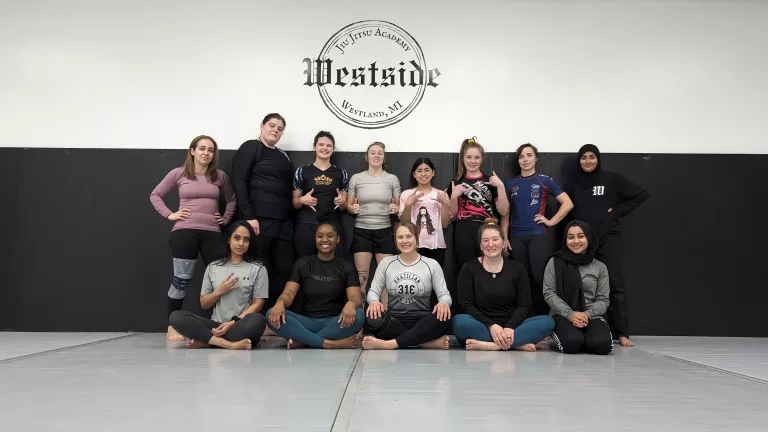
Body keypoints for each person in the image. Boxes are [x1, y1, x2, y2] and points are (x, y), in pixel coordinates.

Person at [150, 135, 236, 341]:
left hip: (213, 234)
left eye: (210, 150)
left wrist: (224, 218)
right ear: (193, 151)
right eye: (202, 149)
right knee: (181, 280)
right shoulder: (179, 173)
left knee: (219, 281)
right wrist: (170, 215)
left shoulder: (220, 176)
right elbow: (155, 195)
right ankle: (172, 326)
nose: (206, 153)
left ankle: (218, 324)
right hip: (184, 232)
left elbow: (231, 200)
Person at [566, 144, 650, 347]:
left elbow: (641, 194)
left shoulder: (611, 179)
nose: (587, 161)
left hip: (607, 239)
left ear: (598, 159)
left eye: (592, 157)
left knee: (615, 285)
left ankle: (621, 332)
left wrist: (617, 211)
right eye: (583, 157)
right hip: (581, 242)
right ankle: (581, 327)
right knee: (579, 285)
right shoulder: (573, 183)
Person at [452, 218, 555, 351]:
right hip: (481, 325)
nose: (490, 244)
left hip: (512, 327)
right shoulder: (469, 268)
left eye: (495, 239)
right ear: (480, 244)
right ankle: (515, 344)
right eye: (485, 240)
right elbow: (466, 305)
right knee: (459, 322)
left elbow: (523, 305)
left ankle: (491, 345)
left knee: (547, 322)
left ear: (503, 241)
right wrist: (491, 326)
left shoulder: (517, 268)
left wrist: (509, 327)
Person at [168, 221, 268, 350]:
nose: (241, 243)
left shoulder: (258, 269)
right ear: (229, 239)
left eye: (246, 240)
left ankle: (208, 340)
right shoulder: (213, 267)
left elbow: (258, 304)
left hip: (240, 324)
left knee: (258, 320)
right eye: (237, 238)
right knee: (176, 317)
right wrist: (219, 291)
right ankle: (227, 344)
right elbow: (204, 304)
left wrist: (232, 323)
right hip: (215, 325)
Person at [265, 221, 364, 349]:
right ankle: (329, 343)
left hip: (335, 322)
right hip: (305, 322)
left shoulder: (347, 266)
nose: (325, 240)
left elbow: (355, 298)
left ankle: (303, 340)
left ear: (337, 239)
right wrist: (280, 303)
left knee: (360, 315)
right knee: (270, 314)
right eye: (320, 236)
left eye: (330, 236)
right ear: (315, 238)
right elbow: (288, 294)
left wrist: (351, 304)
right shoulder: (302, 264)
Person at [232, 113, 294, 309]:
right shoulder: (250, 147)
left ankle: (271, 316)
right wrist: (249, 217)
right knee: (255, 267)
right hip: (259, 219)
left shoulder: (282, 155)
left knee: (284, 267)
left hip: (283, 221)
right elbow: (239, 181)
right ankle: (247, 316)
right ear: (262, 126)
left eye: (279, 128)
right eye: (272, 125)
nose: (275, 130)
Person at [504, 143, 573, 317]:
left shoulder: (544, 180)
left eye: (529, 155)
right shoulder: (511, 183)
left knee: (539, 278)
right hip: (516, 237)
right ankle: (524, 319)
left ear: (536, 158)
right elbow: (504, 214)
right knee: (521, 279)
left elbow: (568, 203)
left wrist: (550, 221)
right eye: (521, 156)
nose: (525, 159)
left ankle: (542, 319)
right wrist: (504, 237)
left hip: (538, 235)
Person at [363, 222, 453, 350]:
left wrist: (443, 302)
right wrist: (373, 302)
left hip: (423, 321)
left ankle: (390, 344)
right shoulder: (386, 263)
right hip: (394, 321)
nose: (404, 241)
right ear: (395, 240)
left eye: (409, 236)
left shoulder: (431, 264)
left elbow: (445, 295)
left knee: (444, 317)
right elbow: (373, 292)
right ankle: (424, 343)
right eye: (400, 237)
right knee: (372, 317)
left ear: (416, 238)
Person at [448, 137, 509, 301]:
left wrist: (501, 187)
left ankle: (489, 305)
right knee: (465, 270)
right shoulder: (456, 182)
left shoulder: (491, 181)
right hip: (463, 229)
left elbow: (504, 211)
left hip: (487, 229)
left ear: (482, 159)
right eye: (469, 157)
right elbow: (452, 216)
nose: (472, 161)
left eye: (476, 157)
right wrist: (453, 197)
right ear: (463, 158)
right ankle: (465, 308)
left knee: (489, 268)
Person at [543, 220, 612, 355]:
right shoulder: (555, 262)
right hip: (562, 315)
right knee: (572, 343)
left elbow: (603, 299)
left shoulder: (600, 267)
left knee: (601, 345)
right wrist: (571, 314)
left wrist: (587, 315)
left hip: (591, 315)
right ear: (565, 240)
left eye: (581, 236)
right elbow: (549, 293)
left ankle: (588, 336)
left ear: (589, 238)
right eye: (570, 237)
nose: (575, 241)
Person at [346, 142, 401, 298]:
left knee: (385, 278)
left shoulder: (392, 179)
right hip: (362, 230)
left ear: (384, 157)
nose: (376, 155)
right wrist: (352, 208)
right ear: (367, 156)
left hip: (384, 230)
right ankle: (360, 317)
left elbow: (396, 206)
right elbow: (349, 206)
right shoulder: (356, 178)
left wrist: (395, 208)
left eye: (380, 153)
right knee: (361, 278)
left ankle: (383, 318)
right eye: (373, 153)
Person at [292, 131, 349, 258]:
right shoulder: (302, 171)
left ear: (333, 149)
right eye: (321, 144)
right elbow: (295, 203)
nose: (325, 148)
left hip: (332, 224)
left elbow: (343, 207)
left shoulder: (341, 173)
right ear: (314, 147)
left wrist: (341, 202)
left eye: (329, 145)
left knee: (334, 266)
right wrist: (302, 200)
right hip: (307, 224)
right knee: (304, 263)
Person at [398, 158, 451, 267]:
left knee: (434, 281)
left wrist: (445, 203)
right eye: (419, 170)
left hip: (437, 247)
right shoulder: (406, 194)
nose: (423, 174)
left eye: (427, 170)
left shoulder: (441, 195)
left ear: (433, 173)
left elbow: (445, 224)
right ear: (414, 174)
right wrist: (408, 205)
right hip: (412, 245)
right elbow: (404, 222)